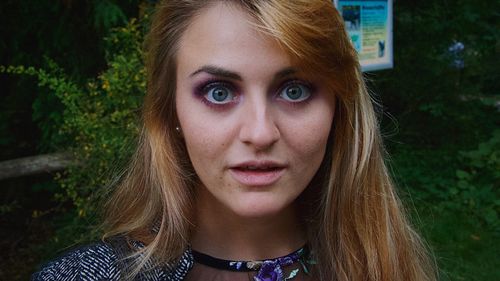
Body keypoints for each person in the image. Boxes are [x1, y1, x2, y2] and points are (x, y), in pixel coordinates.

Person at [32, 0, 437, 280]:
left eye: (294, 90)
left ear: (338, 109)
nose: (260, 133)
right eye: (219, 92)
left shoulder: (387, 268)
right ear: (170, 110)